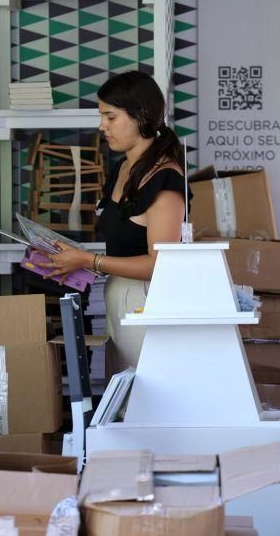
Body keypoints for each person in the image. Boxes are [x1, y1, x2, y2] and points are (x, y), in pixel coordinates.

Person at [43, 70, 189, 372]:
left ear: (141, 116)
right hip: (117, 297)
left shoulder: (165, 179)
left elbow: (159, 264)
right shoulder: (122, 168)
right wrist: (74, 257)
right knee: (121, 397)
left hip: (147, 302)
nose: (102, 126)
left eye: (110, 117)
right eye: (101, 116)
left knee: (140, 398)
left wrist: (89, 260)